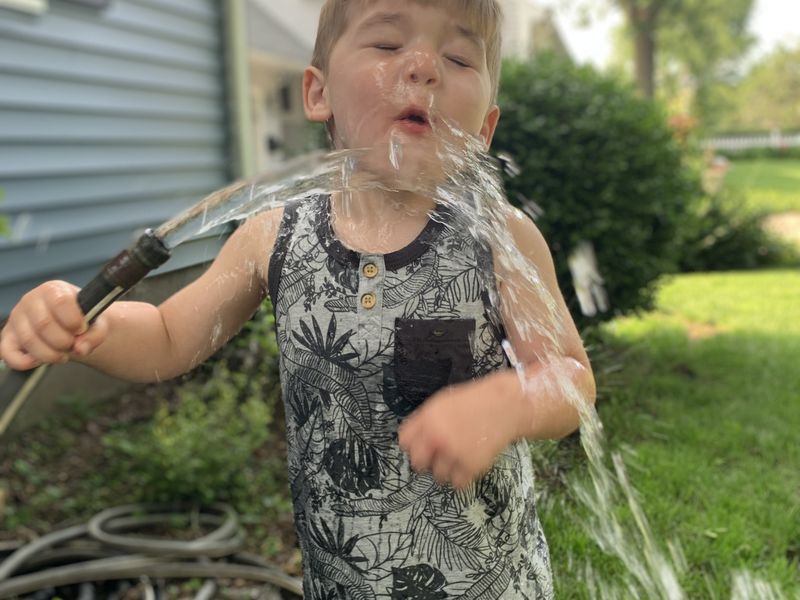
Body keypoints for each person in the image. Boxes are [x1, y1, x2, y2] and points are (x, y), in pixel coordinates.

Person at [0, 0, 596, 597]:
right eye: (387, 46)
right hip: (339, 582)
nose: (422, 67)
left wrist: (504, 403)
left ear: (485, 131)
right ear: (318, 94)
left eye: (459, 56)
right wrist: (89, 326)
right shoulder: (274, 234)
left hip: (490, 585)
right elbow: (167, 334)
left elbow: (570, 377)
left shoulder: (498, 237)